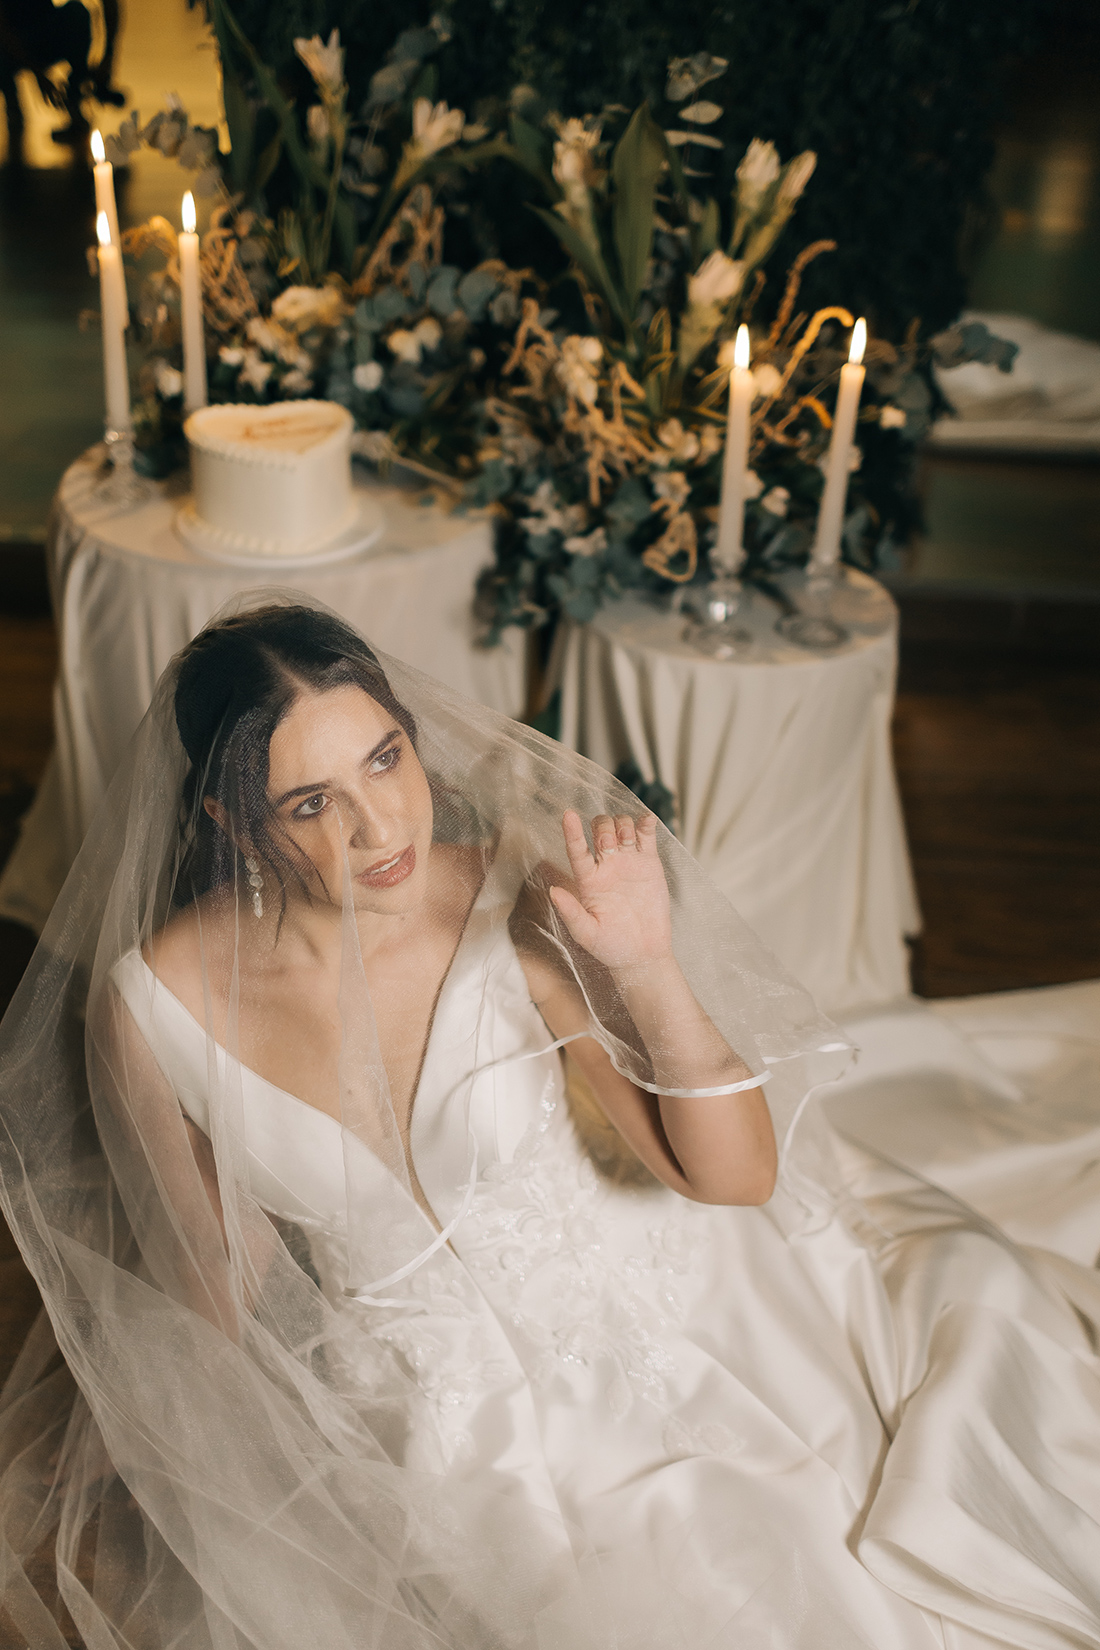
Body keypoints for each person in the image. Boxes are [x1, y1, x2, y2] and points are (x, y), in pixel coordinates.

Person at [0, 594, 1099, 1650]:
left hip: (653, 1342)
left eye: (384, 757)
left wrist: (647, 965)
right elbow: (216, 1274)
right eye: (309, 803)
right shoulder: (152, 1007)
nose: (379, 825)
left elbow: (734, 1180)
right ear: (232, 822)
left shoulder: (509, 895)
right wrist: (171, 1441)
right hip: (424, 1425)